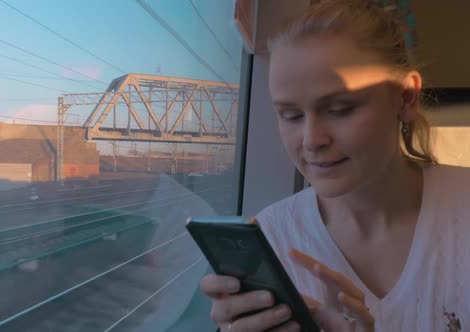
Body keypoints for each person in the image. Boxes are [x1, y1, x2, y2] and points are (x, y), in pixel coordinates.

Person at [200, 1, 469, 331]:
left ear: (406, 98)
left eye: (340, 109)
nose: (312, 140)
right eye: (290, 115)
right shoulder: (272, 239)